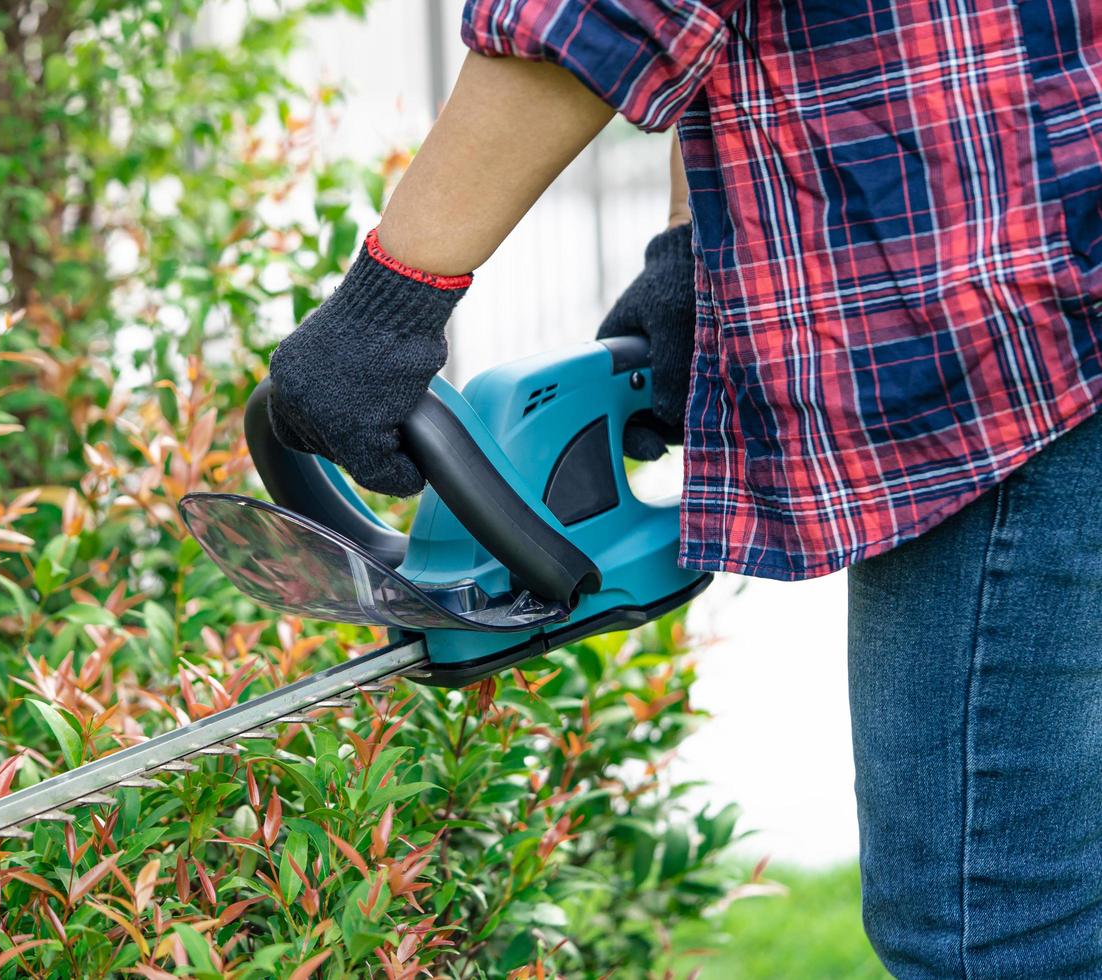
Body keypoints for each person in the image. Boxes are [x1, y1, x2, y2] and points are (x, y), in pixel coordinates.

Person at [265, 2, 1102, 977]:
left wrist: (393, 300)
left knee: (987, 925)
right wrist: (693, 249)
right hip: (1051, 254)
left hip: (1006, 334)